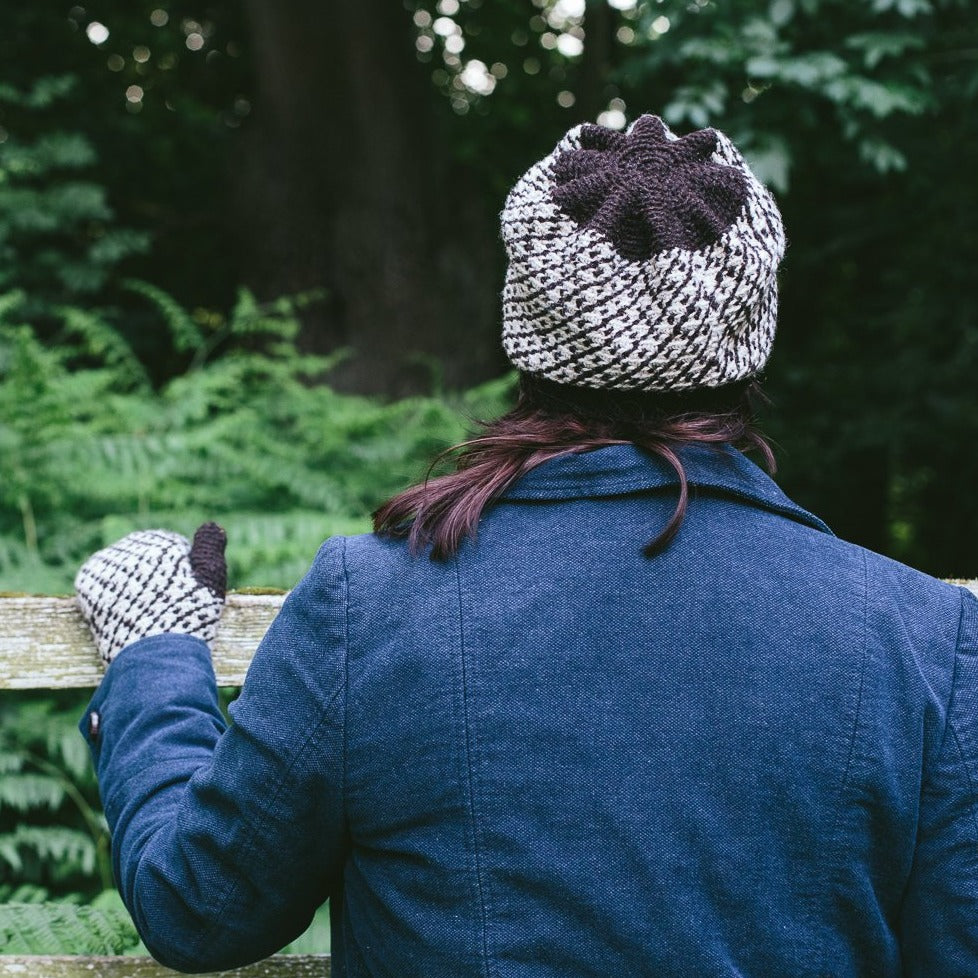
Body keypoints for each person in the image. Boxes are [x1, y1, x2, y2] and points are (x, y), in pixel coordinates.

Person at [75, 115, 978, 977]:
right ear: (751, 333)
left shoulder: (375, 604)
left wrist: (155, 656)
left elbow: (199, 906)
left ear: (526, 322)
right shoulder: (931, 641)